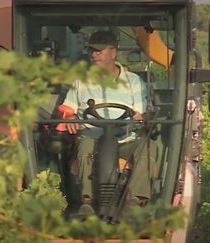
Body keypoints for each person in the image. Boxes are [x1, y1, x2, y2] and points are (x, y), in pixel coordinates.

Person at [61, 31, 157, 216]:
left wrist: (141, 117)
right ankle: (86, 203)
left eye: (99, 50)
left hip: (126, 138)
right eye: (91, 50)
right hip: (92, 136)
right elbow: (67, 108)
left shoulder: (134, 81)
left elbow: (141, 112)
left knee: (148, 148)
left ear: (113, 52)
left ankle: (135, 201)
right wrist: (70, 117)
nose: (93, 54)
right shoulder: (80, 81)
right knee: (84, 148)